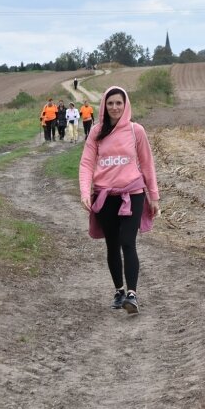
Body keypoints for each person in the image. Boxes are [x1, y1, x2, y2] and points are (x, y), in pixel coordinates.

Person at [79, 86, 160, 314]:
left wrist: (153, 196)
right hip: (105, 195)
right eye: (110, 103)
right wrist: (86, 192)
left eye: (119, 103)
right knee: (112, 244)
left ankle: (132, 295)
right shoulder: (96, 132)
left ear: (126, 106)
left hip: (132, 193)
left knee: (127, 241)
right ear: (104, 105)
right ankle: (119, 291)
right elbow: (86, 164)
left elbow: (147, 164)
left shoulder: (136, 131)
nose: (115, 107)